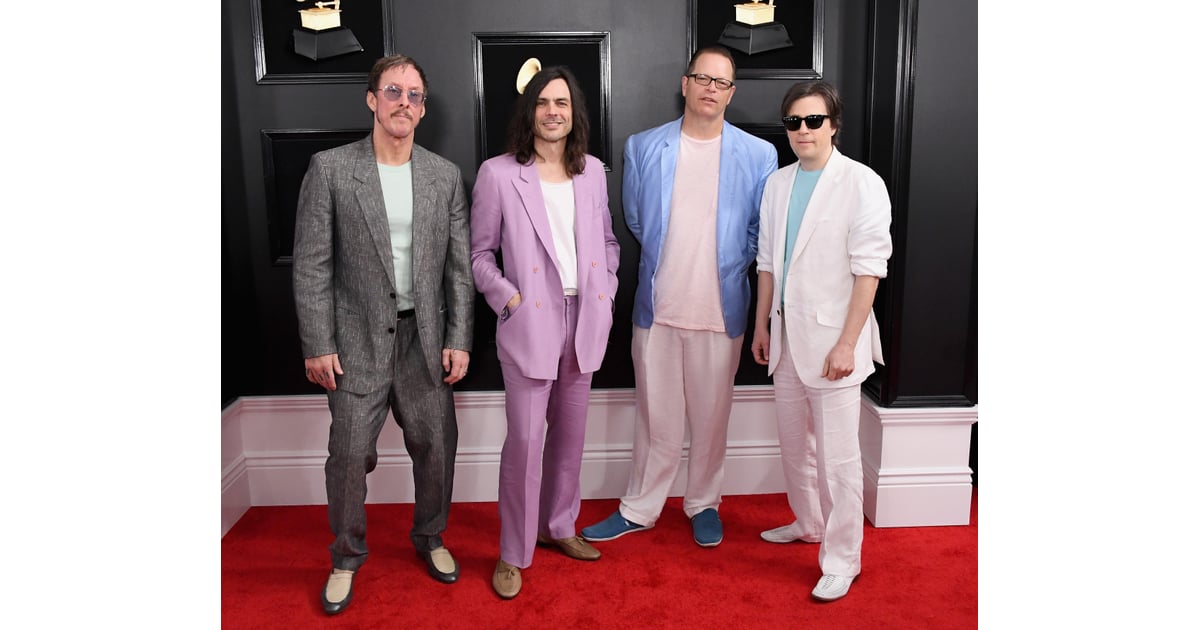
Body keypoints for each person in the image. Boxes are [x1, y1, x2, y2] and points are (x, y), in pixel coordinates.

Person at [292, 53, 474, 616]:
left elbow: (459, 270)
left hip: (424, 340)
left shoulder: (443, 175)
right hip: (353, 344)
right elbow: (311, 266)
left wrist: (460, 337)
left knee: (437, 449)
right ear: (372, 100)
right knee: (347, 456)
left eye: (415, 95)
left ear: (422, 109)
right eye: (393, 91)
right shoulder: (330, 169)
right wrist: (318, 342)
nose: (404, 102)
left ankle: (431, 538)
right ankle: (346, 556)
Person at [580, 45, 776, 548]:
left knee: (712, 419)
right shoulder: (643, 147)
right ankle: (639, 507)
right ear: (685, 84)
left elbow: (759, 229)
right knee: (655, 416)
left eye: (722, 82)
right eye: (702, 78)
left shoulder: (758, 154)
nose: (712, 88)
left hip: (721, 307)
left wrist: (730, 261)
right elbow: (638, 221)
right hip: (658, 307)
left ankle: (703, 503)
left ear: (731, 94)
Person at [470, 65, 620, 600]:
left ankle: (559, 527)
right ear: (529, 111)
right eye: (543, 103)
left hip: (585, 320)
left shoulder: (594, 172)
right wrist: (507, 297)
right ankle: (513, 552)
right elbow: (479, 253)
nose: (553, 111)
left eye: (562, 102)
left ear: (574, 112)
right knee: (526, 442)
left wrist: (607, 288)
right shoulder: (498, 174)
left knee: (570, 440)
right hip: (529, 319)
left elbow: (607, 240)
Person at [749, 81, 892, 602]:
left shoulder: (862, 183)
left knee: (838, 460)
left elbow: (868, 272)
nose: (803, 131)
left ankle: (842, 559)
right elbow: (768, 262)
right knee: (794, 447)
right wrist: (762, 324)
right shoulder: (777, 184)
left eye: (813, 121)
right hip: (786, 338)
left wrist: (847, 343)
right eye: (794, 122)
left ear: (833, 125)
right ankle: (808, 523)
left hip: (836, 343)